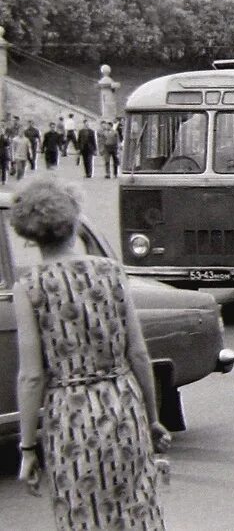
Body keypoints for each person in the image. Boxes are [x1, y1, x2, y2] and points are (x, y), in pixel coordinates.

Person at [12, 178, 170, 529]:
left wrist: (27, 447)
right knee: (136, 508)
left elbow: (32, 376)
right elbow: (139, 354)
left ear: (30, 236)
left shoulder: (29, 288)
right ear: (75, 221)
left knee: (83, 513)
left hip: (69, 417)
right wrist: (152, 417)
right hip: (122, 405)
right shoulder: (110, 273)